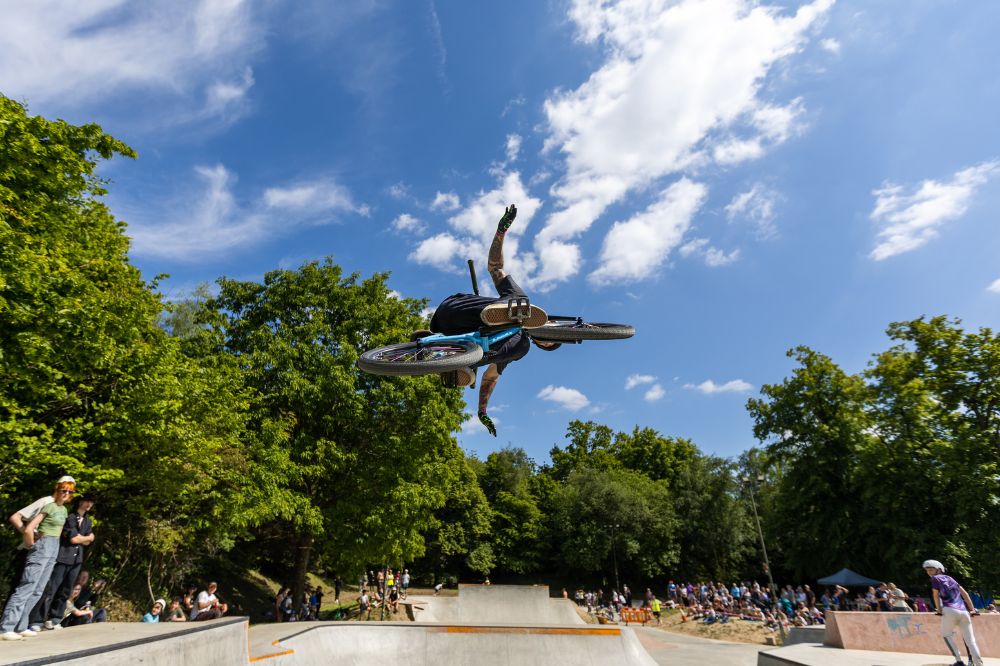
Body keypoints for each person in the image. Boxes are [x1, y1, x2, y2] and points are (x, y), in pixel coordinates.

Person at [421, 205, 559, 436]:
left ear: (541, 345)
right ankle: (498, 317)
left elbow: (490, 378)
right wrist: (501, 231)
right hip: (457, 310)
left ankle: (447, 358)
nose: (545, 340)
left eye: (546, 344)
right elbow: (496, 268)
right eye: (550, 337)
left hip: (448, 333)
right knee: (521, 304)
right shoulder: (523, 313)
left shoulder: (519, 348)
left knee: (517, 347)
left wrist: (482, 411)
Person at [1, 477, 74, 641]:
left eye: (70, 491)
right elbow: (27, 527)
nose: (66, 493)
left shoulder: (63, 510)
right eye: (63, 490)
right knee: (27, 585)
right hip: (42, 545)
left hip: (54, 546)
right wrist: (31, 544)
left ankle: (21, 625)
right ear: (57, 489)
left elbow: (60, 530)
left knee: (38, 589)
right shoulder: (47, 503)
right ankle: (6, 627)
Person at [30, 491, 96, 631]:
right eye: (87, 501)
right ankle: (38, 619)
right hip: (63, 556)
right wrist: (86, 538)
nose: (89, 504)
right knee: (51, 588)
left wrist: (85, 538)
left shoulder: (88, 521)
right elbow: (74, 539)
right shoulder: (70, 516)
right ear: (80, 502)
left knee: (66, 590)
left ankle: (55, 618)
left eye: (91, 502)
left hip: (77, 559)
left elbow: (89, 540)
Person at [923, 559, 984, 666]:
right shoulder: (951, 579)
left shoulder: (935, 579)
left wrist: (939, 609)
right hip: (964, 612)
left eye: (931, 570)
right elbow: (965, 594)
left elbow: (935, 595)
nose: (929, 572)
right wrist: (972, 609)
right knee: (971, 640)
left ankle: (959, 660)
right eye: (927, 570)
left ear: (939, 570)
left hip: (949, 610)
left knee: (946, 635)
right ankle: (979, 663)